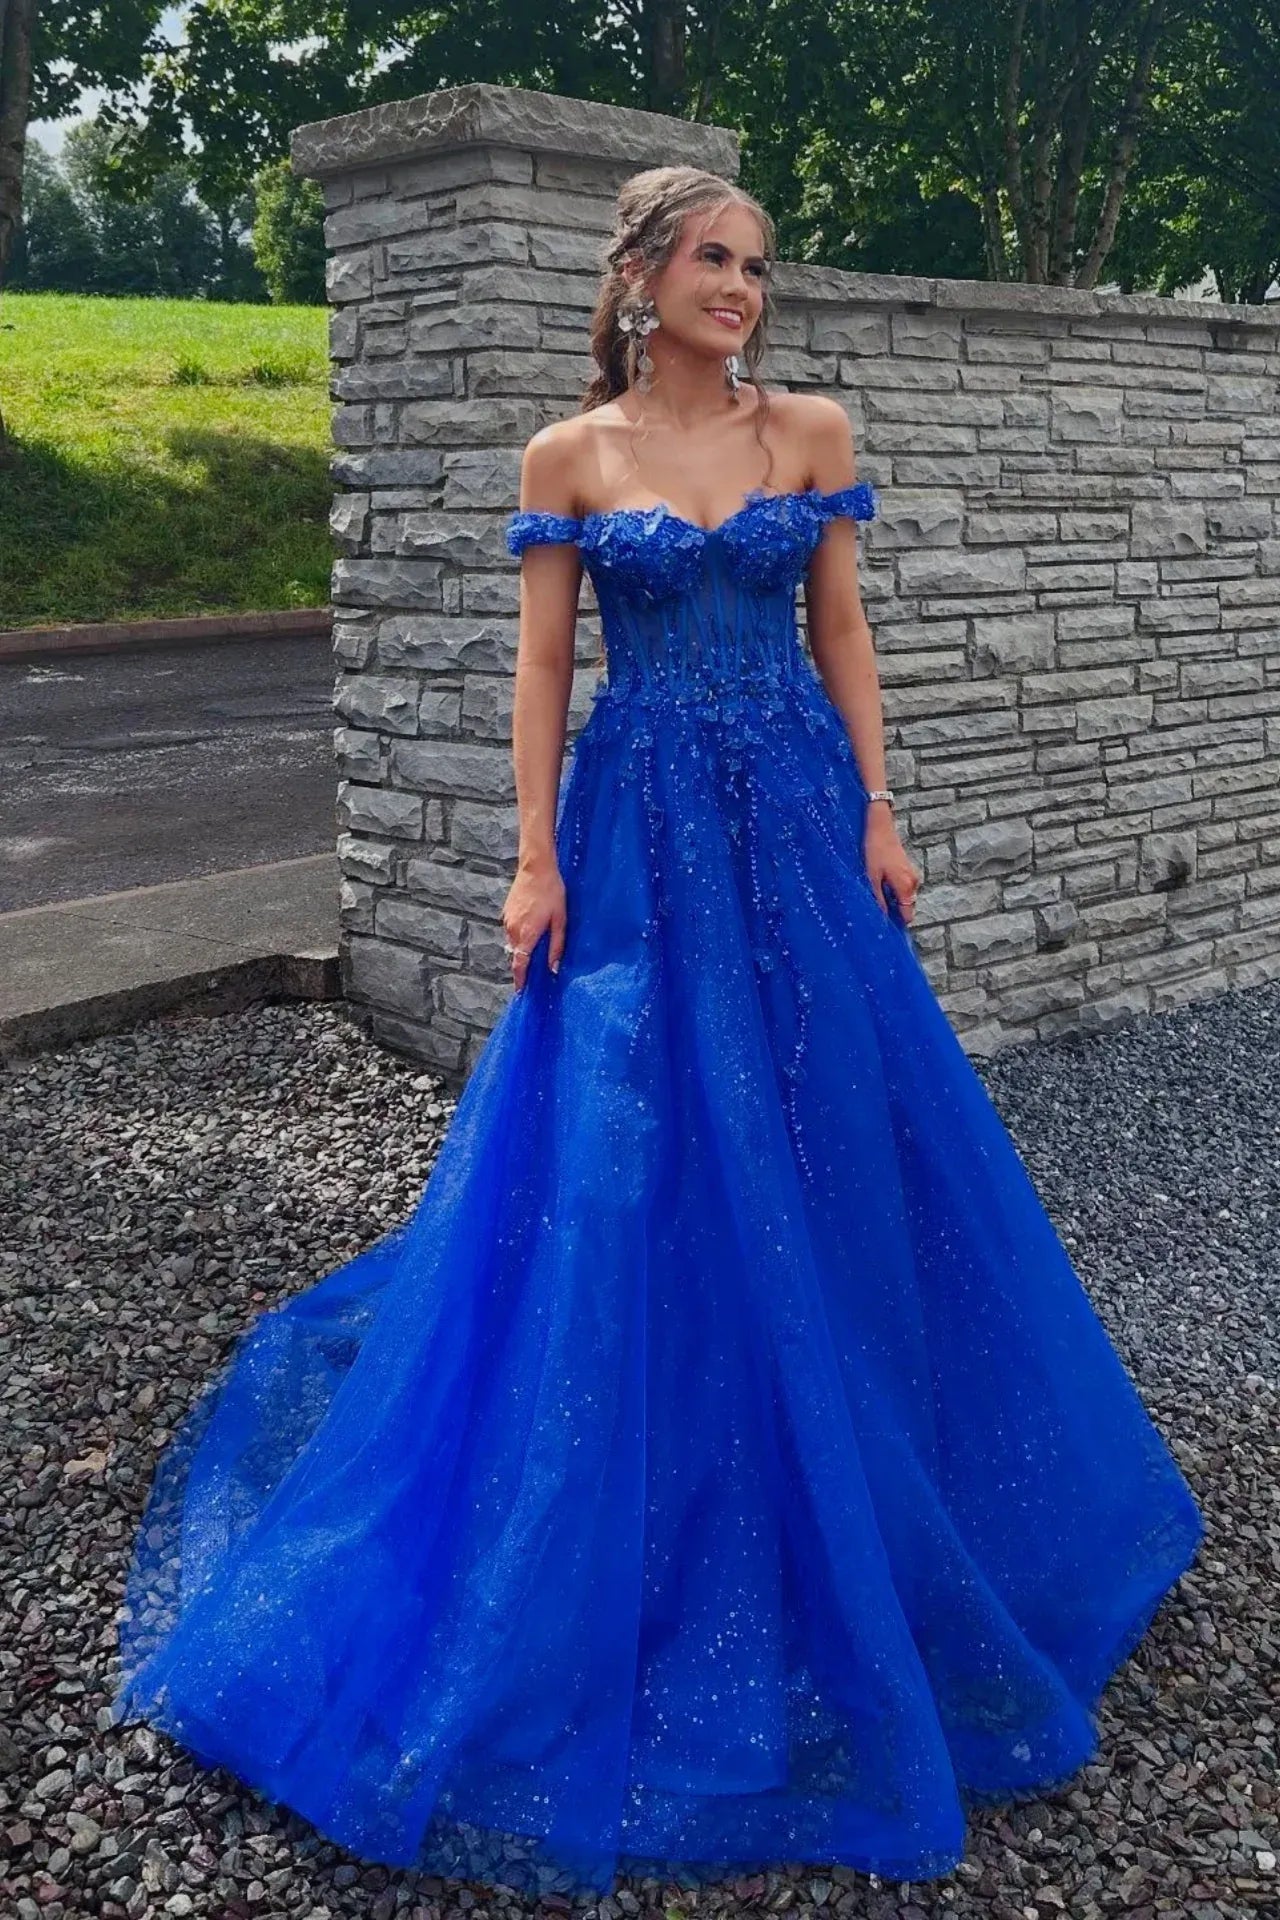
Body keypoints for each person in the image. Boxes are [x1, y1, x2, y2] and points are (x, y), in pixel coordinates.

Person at [111, 165, 1205, 1901]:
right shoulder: (570, 458)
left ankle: (870, 1460)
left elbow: (840, 625)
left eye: (757, 265)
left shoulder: (811, 433)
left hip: (796, 815)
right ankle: (647, 1470)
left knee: (834, 1115)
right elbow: (546, 671)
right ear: (637, 275)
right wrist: (534, 858)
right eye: (711, 258)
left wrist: (881, 809)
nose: (741, 288)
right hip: (637, 835)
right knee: (632, 1141)